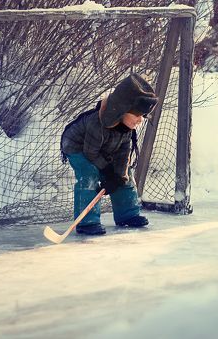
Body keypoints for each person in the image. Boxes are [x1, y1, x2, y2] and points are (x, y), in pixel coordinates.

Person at [60, 73, 158, 236]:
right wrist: (107, 172)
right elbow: (90, 153)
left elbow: (123, 153)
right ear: (122, 111)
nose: (140, 120)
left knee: (124, 175)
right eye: (137, 115)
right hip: (77, 147)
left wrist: (118, 176)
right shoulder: (97, 123)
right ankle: (87, 222)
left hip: (102, 149)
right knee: (89, 173)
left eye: (143, 115)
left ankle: (128, 215)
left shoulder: (127, 128)